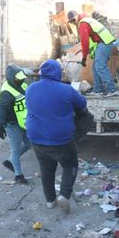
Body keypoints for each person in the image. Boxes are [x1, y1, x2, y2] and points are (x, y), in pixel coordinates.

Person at [26, 59, 87, 213]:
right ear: (58, 73)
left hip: (36, 137)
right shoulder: (66, 89)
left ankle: (50, 200)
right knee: (70, 164)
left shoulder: (31, 88)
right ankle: (64, 195)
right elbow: (82, 105)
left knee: (46, 168)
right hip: (61, 138)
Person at [67, 10, 119, 97]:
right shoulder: (87, 20)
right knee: (95, 67)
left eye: (72, 20)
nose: (73, 23)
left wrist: (84, 57)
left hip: (104, 42)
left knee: (100, 66)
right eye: (71, 22)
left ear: (76, 17)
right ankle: (98, 90)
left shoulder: (83, 23)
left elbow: (85, 41)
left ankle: (112, 89)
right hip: (104, 42)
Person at [0, 65, 31, 184]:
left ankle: (10, 161)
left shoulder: (22, 85)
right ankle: (18, 176)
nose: (21, 80)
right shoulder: (7, 92)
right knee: (15, 150)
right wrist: (0, 125)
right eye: (18, 79)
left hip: (23, 122)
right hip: (12, 124)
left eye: (22, 78)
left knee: (30, 143)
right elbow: (2, 109)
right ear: (12, 78)